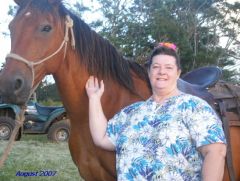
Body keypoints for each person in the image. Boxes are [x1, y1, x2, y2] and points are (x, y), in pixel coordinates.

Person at [85, 42, 226, 181]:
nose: (161, 72)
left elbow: (215, 152)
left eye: (169, 67)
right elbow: (102, 138)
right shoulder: (131, 112)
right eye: (156, 67)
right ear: (149, 72)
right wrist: (94, 98)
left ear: (178, 74)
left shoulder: (194, 107)